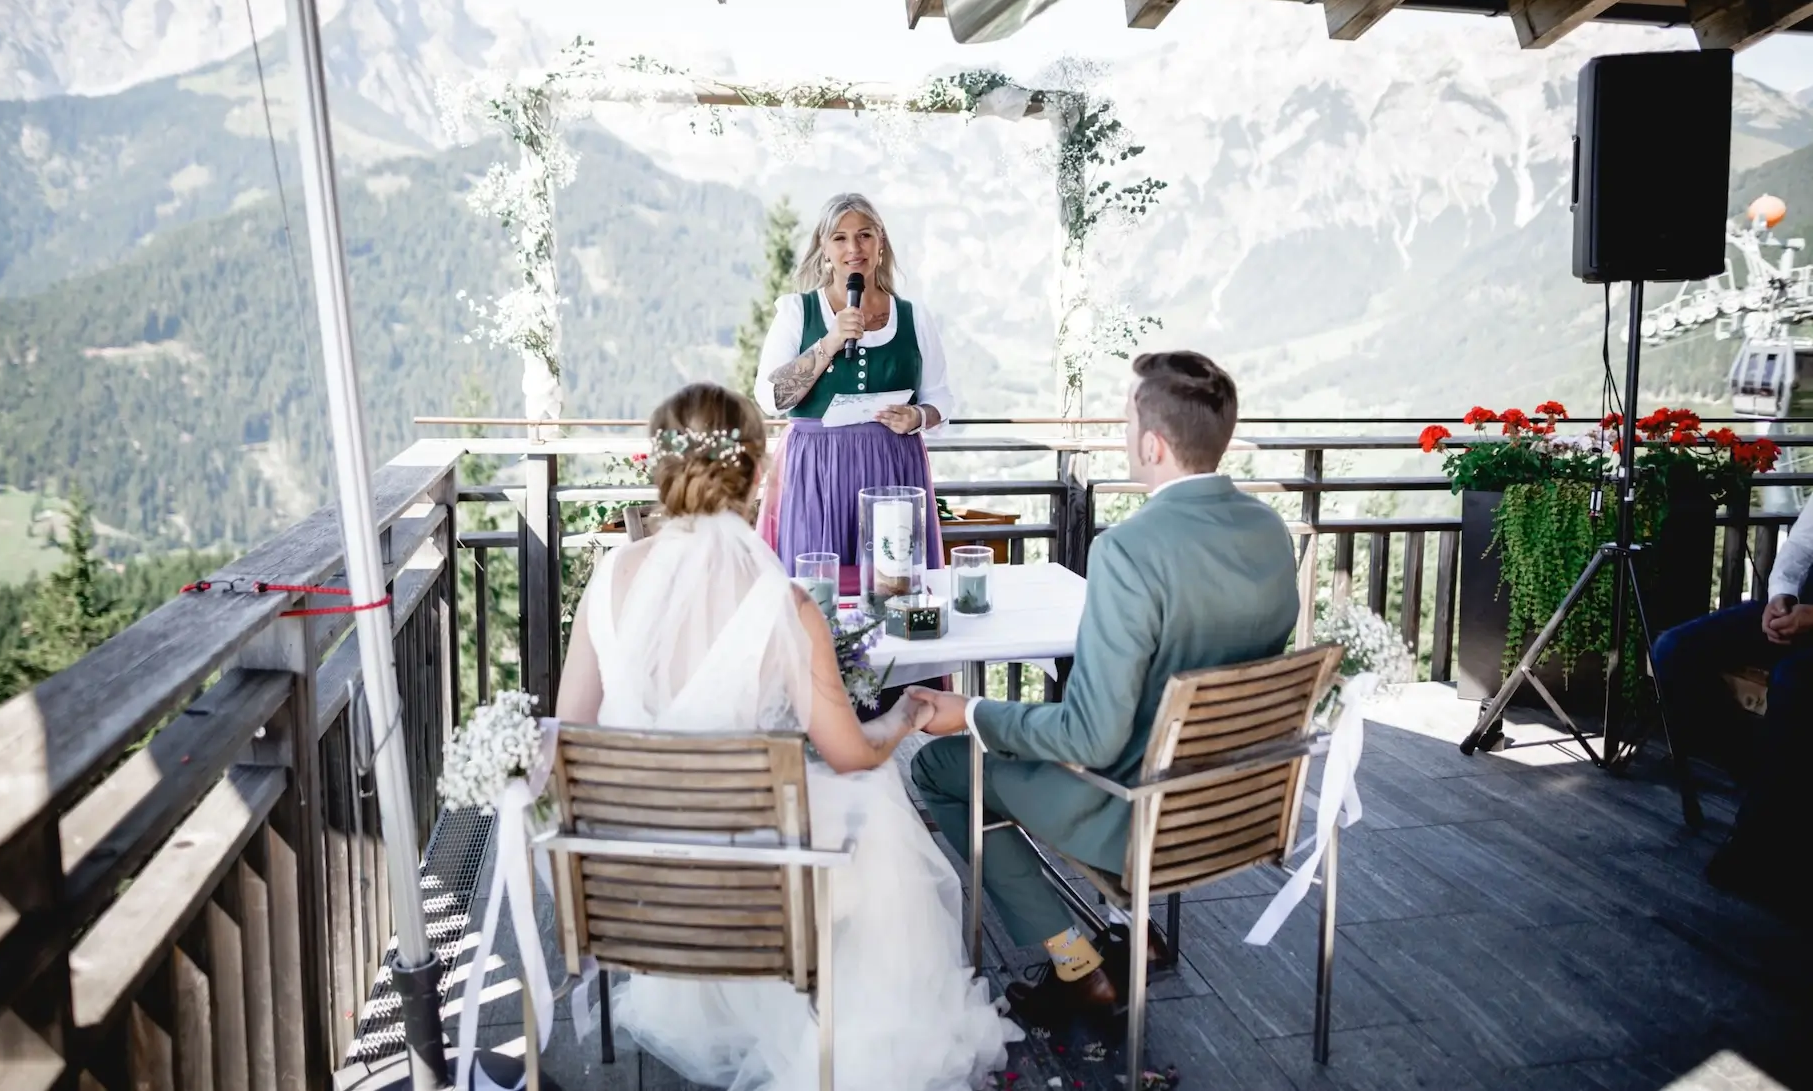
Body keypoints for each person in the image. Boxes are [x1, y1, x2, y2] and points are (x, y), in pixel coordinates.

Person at [556, 382, 1016, 1090]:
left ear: (661, 465)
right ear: (759, 470)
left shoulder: (608, 576)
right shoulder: (783, 602)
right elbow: (849, 752)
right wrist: (907, 714)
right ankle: (848, 1027)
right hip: (754, 891)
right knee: (878, 793)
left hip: (635, 881)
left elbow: (570, 736)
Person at [907, 351, 1299, 1028]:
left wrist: (968, 710)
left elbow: (1091, 736)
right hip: (1240, 801)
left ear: (1150, 443)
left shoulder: (1129, 549)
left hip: (1138, 810)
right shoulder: (1268, 529)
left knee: (939, 765)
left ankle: (1075, 962)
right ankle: (1130, 926)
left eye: (1125, 420)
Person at [753, 192, 953, 593]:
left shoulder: (913, 316)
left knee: (894, 590)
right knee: (815, 589)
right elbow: (772, 397)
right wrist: (830, 341)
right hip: (816, 469)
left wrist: (918, 416)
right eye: (840, 238)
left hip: (893, 467)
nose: (853, 248)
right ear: (824, 248)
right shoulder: (798, 311)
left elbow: (942, 398)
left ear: (881, 244)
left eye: (864, 236)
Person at [1650, 504, 1809, 908]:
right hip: (1800, 612)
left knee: (1792, 681)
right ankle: (1759, 785)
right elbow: (1800, 547)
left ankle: (1758, 832)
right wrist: (1781, 598)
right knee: (1674, 650)